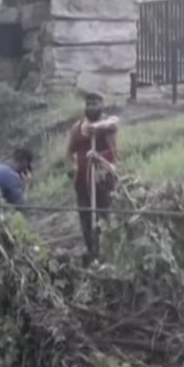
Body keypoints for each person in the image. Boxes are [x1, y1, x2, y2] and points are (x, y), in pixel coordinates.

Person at [66, 92, 118, 265]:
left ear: (102, 105)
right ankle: (91, 251)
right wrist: (71, 168)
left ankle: (105, 251)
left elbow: (114, 123)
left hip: (103, 180)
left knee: (103, 216)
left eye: (95, 103)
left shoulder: (108, 125)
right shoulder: (77, 127)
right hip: (82, 181)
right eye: (88, 103)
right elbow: (68, 154)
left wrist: (99, 129)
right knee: (85, 217)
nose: (91, 107)